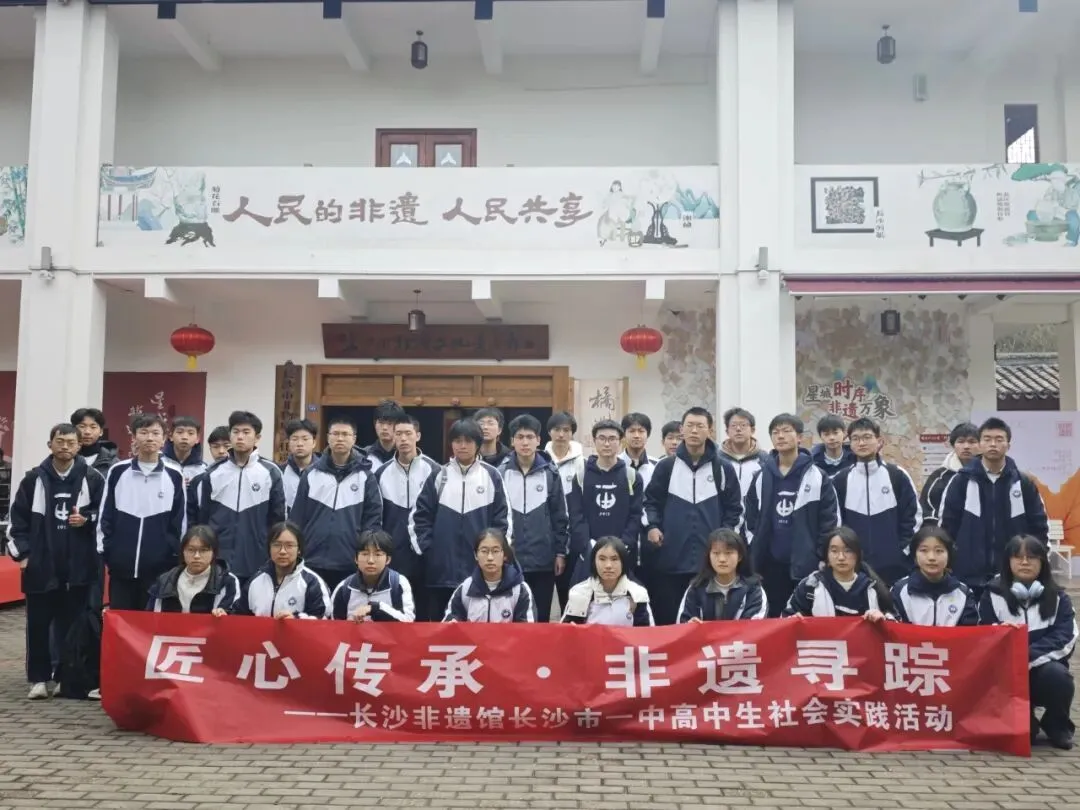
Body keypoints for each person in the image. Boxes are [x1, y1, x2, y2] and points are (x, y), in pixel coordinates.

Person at [8, 423, 105, 700]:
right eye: (60, 441)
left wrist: (87, 519)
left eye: (71, 442)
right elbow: (17, 522)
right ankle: (38, 679)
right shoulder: (33, 479)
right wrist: (24, 556)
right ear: (50, 444)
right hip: (41, 567)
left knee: (71, 626)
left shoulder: (92, 478)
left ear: (79, 446)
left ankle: (66, 678)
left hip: (77, 567)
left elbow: (104, 515)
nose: (65, 447)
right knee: (38, 626)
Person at [643, 407, 743, 625]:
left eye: (700, 426)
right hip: (671, 559)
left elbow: (735, 509)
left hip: (710, 562)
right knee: (669, 621)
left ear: (710, 431)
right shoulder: (666, 467)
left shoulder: (723, 468)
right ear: (682, 429)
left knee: (706, 623)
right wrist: (652, 526)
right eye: (690, 426)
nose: (694, 431)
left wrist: (725, 539)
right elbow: (650, 502)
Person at [979, 535, 1077, 750]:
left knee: (1058, 676)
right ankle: (1026, 720)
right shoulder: (991, 595)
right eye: (1018, 557)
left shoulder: (1059, 598)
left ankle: (1057, 725)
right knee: (1027, 736)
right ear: (1008, 561)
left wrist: (1026, 655)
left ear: (1042, 562)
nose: (1025, 562)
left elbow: (1065, 637)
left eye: (1032, 557)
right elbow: (983, 634)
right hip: (1005, 674)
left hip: (1043, 671)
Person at [410, 419, 510, 620]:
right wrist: (430, 551)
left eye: (468, 441)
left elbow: (503, 521)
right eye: (457, 441)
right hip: (440, 574)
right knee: (441, 628)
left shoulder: (491, 476)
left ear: (478, 443)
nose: (462, 446)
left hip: (479, 574)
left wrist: (493, 556)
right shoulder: (438, 475)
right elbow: (419, 518)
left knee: (476, 627)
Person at [941, 417, 1048, 599]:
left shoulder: (1023, 483)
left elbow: (1040, 527)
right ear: (980, 444)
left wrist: (1037, 561)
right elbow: (947, 527)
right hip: (967, 575)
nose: (993, 444)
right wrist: (950, 561)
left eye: (999, 439)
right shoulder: (961, 481)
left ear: (1008, 445)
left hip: (1013, 576)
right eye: (987, 439)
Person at [745, 413, 839, 618]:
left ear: (799, 438)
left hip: (806, 564)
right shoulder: (761, 476)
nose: (780, 436)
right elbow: (750, 517)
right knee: (772, 619)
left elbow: (829, 521)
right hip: (769, 565)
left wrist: (821, 555)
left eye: (786, 431)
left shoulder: (817, 476)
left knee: (804, 619)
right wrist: (755, 549)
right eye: (775, 432)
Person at [188, 410, 286, 589]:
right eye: (235, 432)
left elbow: (278, 520)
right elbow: (203, 520)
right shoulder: (212, 473)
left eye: (246, 432)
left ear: (257, 438)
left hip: (257, 560)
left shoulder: (271, 472)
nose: (240, 437)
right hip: (218, 560)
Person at [98, 414, 186, 611]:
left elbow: (179, 522)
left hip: (159, 570)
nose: (149, 438)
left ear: (164, 439)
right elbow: (106, 515)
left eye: (155, 433)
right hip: (121, 567)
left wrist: (172, 554)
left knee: (151, 622)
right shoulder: (117, 471)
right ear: (134, 437)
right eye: (144, 432)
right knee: (121, 620)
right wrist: (109, 552)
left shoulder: (174, 475)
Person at [288, 416, 383, 590]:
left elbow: (372, 521)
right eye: (335, 434)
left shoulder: (365, 477)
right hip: (312, 559)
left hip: (349, 561)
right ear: (328, 437)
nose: (340, 438)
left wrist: (363, 554)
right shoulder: (311, 474)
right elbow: (296, 519)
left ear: (354, 439)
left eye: (345, 434)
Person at [833, 417, 921, 586]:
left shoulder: (897, 475)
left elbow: (913, 516)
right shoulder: (840, 480)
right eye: (856, 438)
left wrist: (902, 551)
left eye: (867, 437)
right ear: (850, 444)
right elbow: (836, 522)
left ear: (879, 441)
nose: (861, 443)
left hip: (895, 567)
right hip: (854, 567)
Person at [499, 414, 569, 622]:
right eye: (520, 437)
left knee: (541, 618)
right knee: (512, 617)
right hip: (510, 560)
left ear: (538, 440)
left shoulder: (550, 473)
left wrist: (560, 553)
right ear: (512, 441)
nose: (525, 442)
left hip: (543, 560)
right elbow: (497, 517)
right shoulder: (501, 472)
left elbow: (560, 516)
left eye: (530, 437)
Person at [374, 414, 439, 619]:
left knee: (424, 613)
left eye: (408, 433)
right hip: (394, 554)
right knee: (397, 611)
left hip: (425, 556)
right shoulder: (381, 473)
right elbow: (376, 516)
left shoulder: (435, 470)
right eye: (398, 434)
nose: (403, 438)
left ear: (417, 436)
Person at [567, 419, 642, 582]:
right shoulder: (581, 476)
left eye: (612, 439)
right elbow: (576, 515)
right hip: (589, 552)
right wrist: (588, 545)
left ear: (620, 442)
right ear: (594, 441)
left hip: (623, 552)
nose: (607, 443)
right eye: (602, 438)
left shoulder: (631, 476)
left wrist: (623, 545)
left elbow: (636, 515)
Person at [782, 527, 892, 621]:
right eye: (834, 551)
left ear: (858, 555)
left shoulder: (873, 589)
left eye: (847, 551)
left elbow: (895, 626)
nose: (841, 557)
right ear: (826, 556)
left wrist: (883, 619)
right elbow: (785, 620)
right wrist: (793, 619)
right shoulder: (810, 587)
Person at [239, 522, 330, 619]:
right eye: (276, 545)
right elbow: (238, 616)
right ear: (269, 548)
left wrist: (295, 619)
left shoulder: (312, 582)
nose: (282, 551)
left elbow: (322, 619)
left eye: (289, 545)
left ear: (299, 549)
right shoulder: (255, 581)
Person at [890, 526, 978, 626]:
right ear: (915, 556)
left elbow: (971, 633)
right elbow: (892, 627)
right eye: (924, 550)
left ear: (949, 555)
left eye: (939, 551)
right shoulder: (899, 591)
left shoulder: (963, 594)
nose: (931, 557)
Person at [443, 528, 534, 623]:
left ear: (505, 555)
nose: (490, 557)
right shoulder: (465, 589)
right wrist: (453, 622)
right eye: (484, 551)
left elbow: (527, 629)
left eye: (495, 551)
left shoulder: (520, 590)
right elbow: (449, 621)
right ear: (476, 555)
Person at [677, 528, 768, 622]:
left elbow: (756, 627)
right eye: (716, 553)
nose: (722, 559)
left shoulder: (753, 589)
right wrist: (690, 625)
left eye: (728, 553)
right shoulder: (696, 588)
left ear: (740, 556)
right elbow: (682, 623)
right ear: (708, 556)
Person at [146, 525, 239, 615]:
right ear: (183, 551)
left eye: (203, 550)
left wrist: (224, 613)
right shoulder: (164, 581)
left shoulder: (226, 581)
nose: (196, 556)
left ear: (214, 552)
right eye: (191, 550)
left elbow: (233, 614)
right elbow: (150, 617)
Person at [544, 410, 584, 613]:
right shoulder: (541, 460)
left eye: (566, 430)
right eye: (557, 429)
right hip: (545, 534)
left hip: (573, 536)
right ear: (549, 432)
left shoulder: (582, 463)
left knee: (570, 596)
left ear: (572, 433)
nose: (561, 434)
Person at [561, 537, 653, 626]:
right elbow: (565, 632)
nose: (608, 565)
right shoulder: (580, 593)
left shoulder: (637, 594)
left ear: (623, 562)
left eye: (614, 559)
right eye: (602, 559)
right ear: (593, 562)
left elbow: (646, 633)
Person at [330, 529, 415, 622]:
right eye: (365, 554)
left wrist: (376, 608)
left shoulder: (398, 584)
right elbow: (334, 625)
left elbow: (409, 620)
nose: (371, 560)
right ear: (356, 559)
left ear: (388, 559)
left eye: (377, 555)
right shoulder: (344, 588)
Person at [920, 422, 979, 527]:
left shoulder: (987, 474)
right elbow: (927, 507)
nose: (966, 446)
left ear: (981, 445)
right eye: (960, 441)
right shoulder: (939, 476)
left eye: (972, 442)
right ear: (953, 445)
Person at [718, 407, 769, 499]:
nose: (738, 429)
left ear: (752, 430)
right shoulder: (717, 459)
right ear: (727, 431)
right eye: (733, 425)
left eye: (743, 425)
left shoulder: (765, 459)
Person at [280, 418, 318, 514]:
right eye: (295, 439)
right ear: (288, 442)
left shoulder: (324, 472)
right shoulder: (279, 472)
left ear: (314, 443)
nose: (300, 444)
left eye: (305, 439)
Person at [70, 408, 118, 477]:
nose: (87, 432)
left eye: (93, 427)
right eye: (82, 426)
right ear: (73, 429)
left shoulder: (113, 462)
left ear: (101, 431)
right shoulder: (63, 457)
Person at [162, 416, 207, 490]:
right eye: (180, 432)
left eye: (190, 433)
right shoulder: (160, 464)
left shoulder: (203, 470)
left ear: (197, 439)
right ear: (171, 436)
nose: (185, 437)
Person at [362, 399, 408, 468]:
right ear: (375, 424)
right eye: (381, 422)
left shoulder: (407, 454)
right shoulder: (364, 455)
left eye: (390, 423)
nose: (384, 428)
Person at [811, 414, 855, 479]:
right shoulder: (812, 462)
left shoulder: (854, 458)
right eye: (826, 434)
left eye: (835, 433)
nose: (831, 438)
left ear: (844, 433)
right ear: (820, 436)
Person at [619, 412, 657, 477]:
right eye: (632, 431)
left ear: (648, 434)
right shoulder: (615, 463)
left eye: (641, 431)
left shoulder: (657, 465)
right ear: (624, 435)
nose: (636, 436)